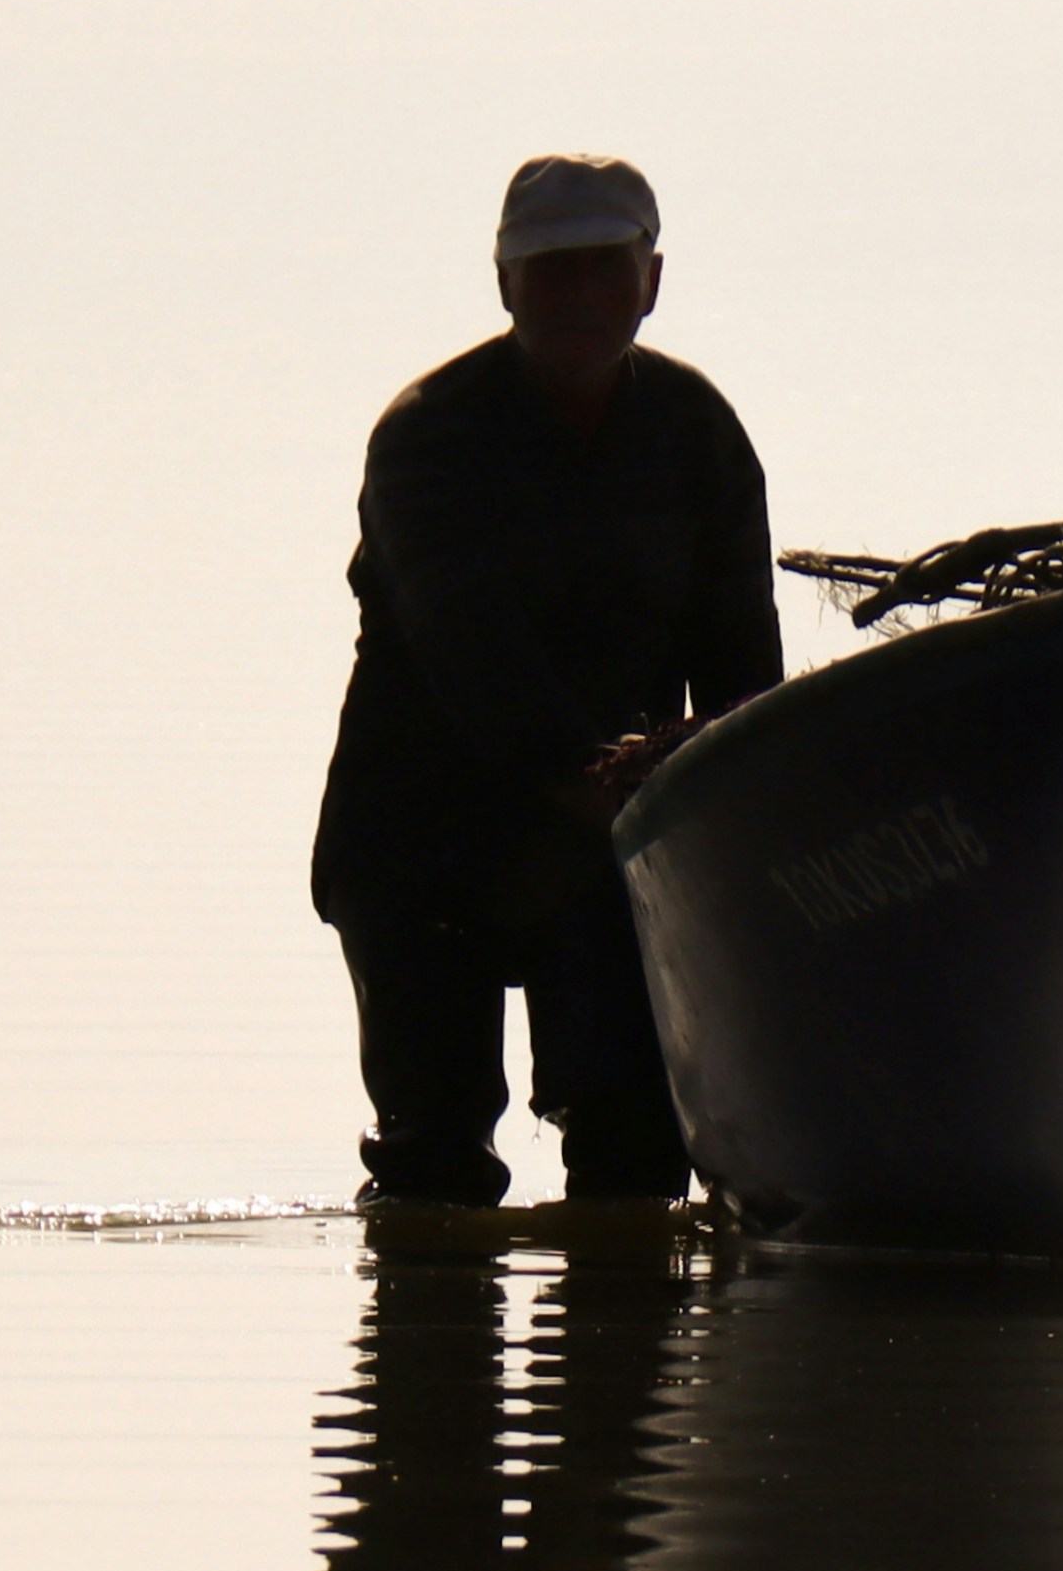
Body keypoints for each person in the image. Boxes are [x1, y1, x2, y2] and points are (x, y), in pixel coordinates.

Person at [309, 155, 781, 1205]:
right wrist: (606, 789)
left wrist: (729, 819)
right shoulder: (427, 435)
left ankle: (614, 1356)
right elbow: (470, 657)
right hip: (422, 830)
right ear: (505, 283)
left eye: (603, 270)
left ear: (650, 280)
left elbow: (742, 664)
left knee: (633, 1148)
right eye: (549, 271)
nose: (576, 295)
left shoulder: (697, 431)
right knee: (432, 1153)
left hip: (612, 840)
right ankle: (422, 1340)